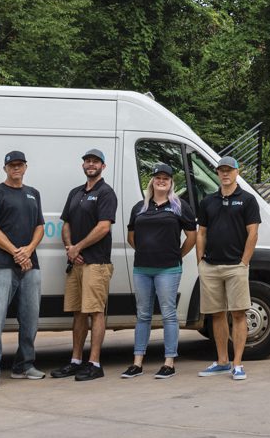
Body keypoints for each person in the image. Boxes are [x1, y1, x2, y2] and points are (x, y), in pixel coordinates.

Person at [123, 161, 196, 378]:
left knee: (168, 314)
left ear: (171, 182)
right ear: (152, 182)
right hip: (142, 269)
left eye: (165, 178)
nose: (161, 181)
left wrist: (178, 255)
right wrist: (146, 250)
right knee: (143, 315)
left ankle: (169, 362)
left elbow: (192, 236)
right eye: (158, 178)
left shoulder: (179, 206)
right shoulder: (140, 207)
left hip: (168, 269)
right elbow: (131, 237)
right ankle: (137, 362)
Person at [0, 149, 46, 387]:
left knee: (30, 317)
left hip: (31, 264)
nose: (16, 168)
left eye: (20, 165)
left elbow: (40, 226)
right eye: (12, 165)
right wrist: (17, 253)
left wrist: (27, 250)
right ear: (5, 168)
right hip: (3, 264)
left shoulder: (33, 194)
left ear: (26, 167)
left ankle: (24, 365)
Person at [53, 148, 118, 381]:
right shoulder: (75, 192)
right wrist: (70, 249)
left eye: (95, 161)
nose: (91, 164)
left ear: (103, 166)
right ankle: (76, 360)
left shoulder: (106, 193)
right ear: (83, 166)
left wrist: (77, 248)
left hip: (96, 263)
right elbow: (66, 224)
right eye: (87, 161)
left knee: (95, 312)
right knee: (78, 314)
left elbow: (103, 227)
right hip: (76, 263)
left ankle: (95, 363)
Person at [195, 155, 259, 381]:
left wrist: (244, 262)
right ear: (217, 173)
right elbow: (201, 232)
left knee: (239, 314)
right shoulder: (208, 202)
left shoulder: (248, 200)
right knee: (216, 315)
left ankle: (237, 363)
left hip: (236, 267)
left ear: (237, 172)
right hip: (211, 266)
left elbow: (253, 232)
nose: (225, 173)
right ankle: (222, 361)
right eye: (221, 170)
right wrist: (200, 261)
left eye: (229, 170)